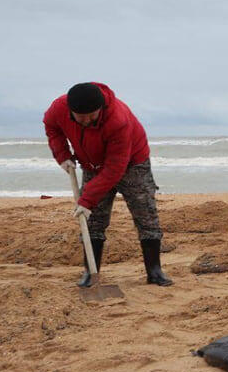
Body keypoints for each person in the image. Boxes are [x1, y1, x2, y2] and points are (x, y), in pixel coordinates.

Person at [43, 82, 173, 287]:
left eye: (92, 116)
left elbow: (114, 168)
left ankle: (155, 272)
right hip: (92, 165)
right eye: (80, 117)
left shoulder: (118, 120)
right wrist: (62, 155)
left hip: (132, 164)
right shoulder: (58, 109)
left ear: (101, 108)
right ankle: (90, 273)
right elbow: (52, 128)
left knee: (145, 214)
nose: (86, 121)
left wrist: (86, 200)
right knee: (93, 220)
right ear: (70, 111)